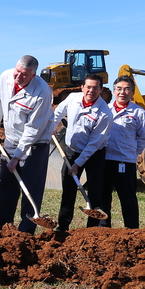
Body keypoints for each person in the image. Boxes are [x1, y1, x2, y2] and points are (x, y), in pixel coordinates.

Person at [0, 55, 54, 233]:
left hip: (35, 144)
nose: (18, 77)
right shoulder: (5, 77)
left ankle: (26, 232)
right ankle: (4, 227)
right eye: (17, 71)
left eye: (24, 75)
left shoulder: (42, 93)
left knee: (30, 188)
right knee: (7, 184)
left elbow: (33, 129)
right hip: (11, 139)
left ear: (34, 75)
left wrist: (17, 156)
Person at [52, 74, 111, 231]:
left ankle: (91, 229)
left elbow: (94, 144)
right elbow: (58, 112)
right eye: (88, 87)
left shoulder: (104, 113)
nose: (91, 90)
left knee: (95, 191)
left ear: (101, 89)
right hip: (72, 151)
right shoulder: (73, 98)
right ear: (82, 87)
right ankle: (63, 225)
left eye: (95, 88)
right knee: (68, 189)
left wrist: (78, 164)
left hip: (94, 155)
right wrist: (51, 128)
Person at [101, 75, 145, 228]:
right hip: (104, 160)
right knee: (103, 197)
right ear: (114, 91)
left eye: (127, 89)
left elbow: (144, 136)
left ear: (132, 92)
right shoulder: (105, 109)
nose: (122, 92)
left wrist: (130, 152)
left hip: (125, 162)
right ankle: (103, 229)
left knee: (127, 197)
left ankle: (131, 229)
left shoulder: (139, 113)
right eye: (119, 89)